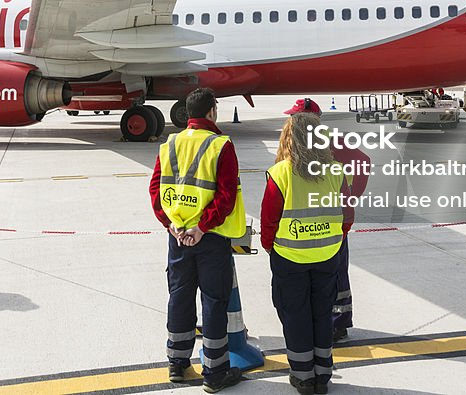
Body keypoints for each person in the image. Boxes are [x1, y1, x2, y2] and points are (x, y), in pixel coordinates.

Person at [149, 88, 245, 393]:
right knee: (214, 302)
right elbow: (226, 196)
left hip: (177, 236)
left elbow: (155, 190)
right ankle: (215, 373)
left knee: (179, 296)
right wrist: (202, 228)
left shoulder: (170, 143)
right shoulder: (220, 145)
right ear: (212, 111)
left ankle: (177, 363)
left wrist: (171, 225)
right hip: (210, 237)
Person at [261, 112, 352, 395]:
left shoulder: (281, 172)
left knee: (295, 314)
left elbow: (269, 219)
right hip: (327, 255)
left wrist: (270, 246)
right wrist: (333, 238)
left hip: (290, 256)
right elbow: (348, 215)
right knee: (322, 313)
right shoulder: (337, 170)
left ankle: (303, 377)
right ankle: (322, 374)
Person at [283, 98, 369, 342]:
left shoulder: (324, 140)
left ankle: (337, 323)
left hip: (331, 220)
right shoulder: (309, 140)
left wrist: (350, 197)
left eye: (294, 117)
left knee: (334, 273)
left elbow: (363, 162)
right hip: (324, 218)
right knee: (329, 273)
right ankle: (329, 321)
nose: (290, 121)